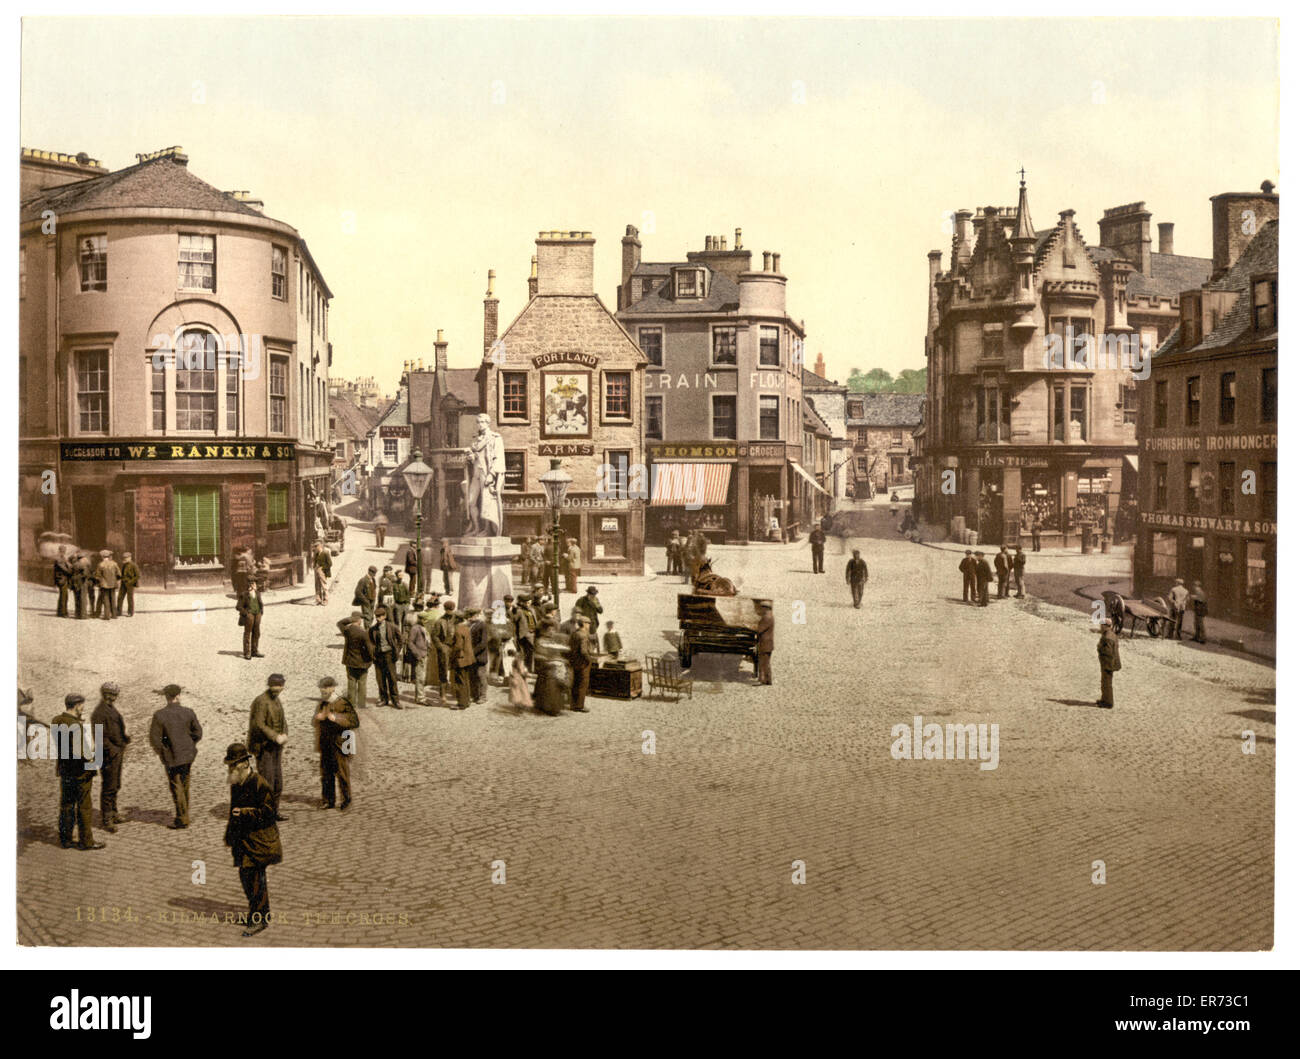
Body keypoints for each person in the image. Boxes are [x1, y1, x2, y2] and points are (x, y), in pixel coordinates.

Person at [222, 742, 283, 937]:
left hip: (260, 842)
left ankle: (259, 919)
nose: (230, 770)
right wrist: (229, 835)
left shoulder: (260, 783)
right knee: (246, 878)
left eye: (232, 766)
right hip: (244, 842)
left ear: (243, 765)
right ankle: (257, 914)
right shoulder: (237, 784)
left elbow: (269, 813)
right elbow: (233, 812)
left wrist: (246, 813)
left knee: (256, 880)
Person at [53, 693, 104, 850]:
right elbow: (82, 752)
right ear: (76, 706)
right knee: (84, 806)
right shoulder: (75, 725)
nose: (83, 707)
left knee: (67, 805)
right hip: (81, 772)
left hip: (65, 770)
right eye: (82, 705)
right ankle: (86, 841)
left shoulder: (57, 720)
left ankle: (65, 839)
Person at [148, 684, 203, 830]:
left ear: (166, 697)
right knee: (185, 784)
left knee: (176, 785)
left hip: (171, 756)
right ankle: (184, 813)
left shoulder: (159, 715)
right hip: (187, 754)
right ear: (178, 696)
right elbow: (198, 733)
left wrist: (163, 751)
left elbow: (154, 739)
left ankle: (182, 818)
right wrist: (190, 744)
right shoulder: (188, 712)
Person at [246, 675, 289, 818]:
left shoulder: (277, 700)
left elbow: (283, 720)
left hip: (276, 747)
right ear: (269, 686)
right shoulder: (261, 701)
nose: (277, 691)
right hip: (264, 748)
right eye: (274, 688)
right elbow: (258, 724)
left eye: (280, 688)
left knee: (278, 782)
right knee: (267, 781)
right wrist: (275, 736)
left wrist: (285, 734)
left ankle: (274, 811)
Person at [91, 682, 130, 834]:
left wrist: (124, 738)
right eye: (110, 694)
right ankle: (106, 818)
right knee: (108, 786)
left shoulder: (110, 709)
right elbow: (100, 737)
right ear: (104, 694)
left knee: (116, 784)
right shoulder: (99, 712)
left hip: (116, 752)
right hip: (107, 754)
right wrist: (113, 750)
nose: (113, 697)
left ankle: (114, 812)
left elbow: (116, 728)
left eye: (115, 695)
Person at [313, 677, 358, 809]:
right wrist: (317, 718)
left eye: (326, 688)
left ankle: (346, 799)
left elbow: (354, 721)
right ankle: (328, 800)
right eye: (321, 688)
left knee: (342, 772)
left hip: (340, 743)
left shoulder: (342, 702)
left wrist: (336, 718)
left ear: (332, 688)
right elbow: (314, 721)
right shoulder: (322, 703)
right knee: (326, 773)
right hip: (325, 743)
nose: (323, 690)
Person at [369, 605, 403, 708]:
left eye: (380, 616)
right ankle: (384, 699)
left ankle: (395, 700)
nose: (378, 618)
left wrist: (396, 651)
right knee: (380, 678)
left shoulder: (392, 627)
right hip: (379, 656)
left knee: (392, 678)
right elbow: (371, 642)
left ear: (384, 616)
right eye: (376, 616)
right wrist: (373, 654)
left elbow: (400, 640)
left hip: (389, 655)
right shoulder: (373, 629)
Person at [341, 611, 374, 709]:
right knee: (362, 683)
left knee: (351, 682)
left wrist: (349, 619)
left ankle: (351, 703)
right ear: (359, 620)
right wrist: (372, 659)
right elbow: (369, 649)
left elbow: (340, 623)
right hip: (362, 662)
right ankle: (361, 703)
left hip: (350, 661)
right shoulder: (363, 633)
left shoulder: (347, 630)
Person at [568, 614, 596, 712]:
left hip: (574, 662)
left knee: (575, 683)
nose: (589, 625)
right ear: (583, 624)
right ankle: (580, 706)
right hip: (583, 663)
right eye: (588, 623)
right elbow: (583, 651)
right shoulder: (583, 635)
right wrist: (590, 659)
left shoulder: (575, 633)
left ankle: (573, 704)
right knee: (583, 684)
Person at [434, 599, 459, 698]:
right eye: (447, 609)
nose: (449, 611)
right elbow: (434, 636)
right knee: (443, 670)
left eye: (451, 609)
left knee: (457, 669)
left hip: (456, 647)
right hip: (445, 647)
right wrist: (441, 646)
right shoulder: (440, 621)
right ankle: (443, 693)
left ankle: (455, 691)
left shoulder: (457, 620)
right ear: (444, 609)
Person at [403, 612, 430, 705]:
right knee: (420, 678)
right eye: (425, 620)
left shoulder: (423, 627)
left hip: (424, 655)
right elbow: (410, 643)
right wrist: (417, 654)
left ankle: (419, 697)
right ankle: (420, 698)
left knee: (422, 677)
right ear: (420, 619)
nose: (426, 622)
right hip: (420, 656)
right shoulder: (415, 628)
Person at [451, 611, 475, 709]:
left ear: (456, 619)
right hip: (468, 658)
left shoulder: (458, 630)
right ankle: (467, 700)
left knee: (460, 681)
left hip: (460, 658)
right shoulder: (466, 628)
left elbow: (458, 646)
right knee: (466, 680)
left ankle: (461, 703)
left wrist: (451, 654)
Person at [237, 575, 265, 660]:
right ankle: (247, 652)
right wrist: (246, 614)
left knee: (257, 633)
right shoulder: (244, 594)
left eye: (255, 583)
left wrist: (260, 612)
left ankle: (254, 651)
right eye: (253, 583)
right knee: (247, 634)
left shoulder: (257, 593)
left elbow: (260, 603)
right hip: (249, 615)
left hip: (257, 615)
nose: (254, 585)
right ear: (249, 584)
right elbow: (238, 607)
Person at [1097, 618, 1121, 709]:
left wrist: (1100, 649)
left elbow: (1108, 651)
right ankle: (1104, 699)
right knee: (1105, 682)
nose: (1100, 627)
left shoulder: (1107, 637)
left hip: (1108, 663)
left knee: (1106, 683)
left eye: (1101, 625)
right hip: (1110, 662)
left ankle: (1108, 702)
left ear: (1104, 626)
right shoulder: (1112, 635)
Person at [467, 608, 488, 704]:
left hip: (480, 655)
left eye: (472, 615)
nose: (470, 618)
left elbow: (483, 643)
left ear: (477, 615)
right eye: (469, 616)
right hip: (471, 655)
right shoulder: (469, 625)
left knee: (481, 675)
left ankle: (483, 696)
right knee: (472, 676)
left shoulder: (482, 625)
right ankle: (474, 695)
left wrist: (473, 652)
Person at [512, 593, 537, 673]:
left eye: (529, 603)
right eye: (526, 603)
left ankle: (529, 668)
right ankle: (526, 669)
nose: (528, 604)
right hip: (524, 635)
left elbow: (535, 620)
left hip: (533, 633)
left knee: (531, 652)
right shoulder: (519, 611)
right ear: (522, 603)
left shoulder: (532, 610)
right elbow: (514, 621)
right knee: (527, 652)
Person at [574, 586, 603, 652]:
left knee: (592, 639)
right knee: (584, 638)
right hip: (583, 623)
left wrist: (597, 604)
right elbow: (576, 611)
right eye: (591, 594)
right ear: (588, 594)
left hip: (593, 624)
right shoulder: (581, 600)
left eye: (594, 594)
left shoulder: (596, 600)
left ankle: (591, 650)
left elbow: (600, 611)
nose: (593, 596)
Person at [95, 550, 121, 619]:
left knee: (106, 599)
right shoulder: (114, 564)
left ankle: (106, 616)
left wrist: (98, 583)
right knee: (113, 599)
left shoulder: (100, 564)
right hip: (113, 584)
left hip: (104, 585)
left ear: (102, 556)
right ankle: (114, 615)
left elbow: (97, 576)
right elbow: (119, 574)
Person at [755, 600, 775, 685]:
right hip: (768, 643)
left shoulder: (766, 617)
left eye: (762, 608)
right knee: (766, 662)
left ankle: (765, 680)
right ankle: (767, 680)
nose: (761, 610)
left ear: (766, 608)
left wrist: (752, 628)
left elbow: (759, 629)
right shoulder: (770, 616)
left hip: (765, 643)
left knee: (764, 662)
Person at [73, 550, 94, 619]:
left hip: (75, 582)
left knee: (77, 598)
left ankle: (77, 614)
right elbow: (86, 573)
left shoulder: (75, 563)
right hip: (82, 582)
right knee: (83, 598)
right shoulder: (85, 563)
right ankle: (83, 615)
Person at [118, 552, 140, 617]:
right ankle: (119, 612)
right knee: (120, 597)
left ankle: (130, 612)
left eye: (126, 558)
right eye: (124, 558)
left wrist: (131, 582)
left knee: (129, 598)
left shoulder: (134, 565)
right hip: (123, 583)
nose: (125, 559)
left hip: (130, 584)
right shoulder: (124, 565)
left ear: (130, 558)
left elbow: (138, 576)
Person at [54, 551, 73, 617]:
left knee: (63, 596)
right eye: (63, 551)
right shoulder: (59, 559)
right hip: (62, 580)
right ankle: (63, 613)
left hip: (63, 579)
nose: (64, 552)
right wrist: (71, 571)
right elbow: (65, 569)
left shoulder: (62, 558)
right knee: (63, 596)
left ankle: (60, 612)